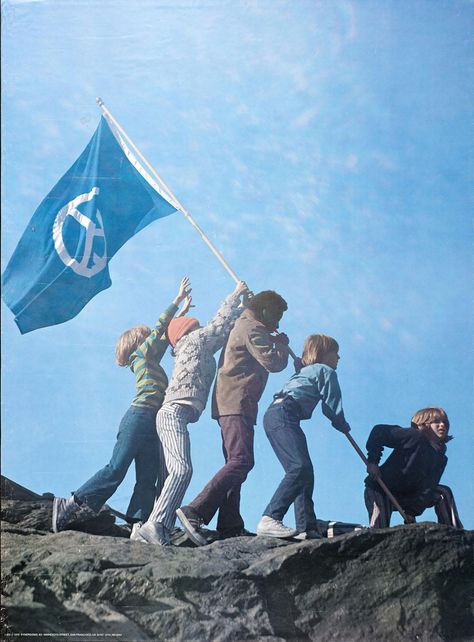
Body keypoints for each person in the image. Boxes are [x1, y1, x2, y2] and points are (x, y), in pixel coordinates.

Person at [52, 277, 192, 533]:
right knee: (117, 467)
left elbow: (164, 339)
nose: (153, 337)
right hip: (138, 416)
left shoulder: (150, 359)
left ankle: (136, 524)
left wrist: (182, 314)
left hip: (151, 423)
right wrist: (176, 300)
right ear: (138, 343)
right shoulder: (140, 356)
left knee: (147, 478)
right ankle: (72, 503)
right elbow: (161, 329)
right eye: (147, 336)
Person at [131, 280, 249, 546]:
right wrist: (236, 295)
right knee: (182, 470)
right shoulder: (195, 341)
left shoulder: (188, 345)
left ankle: (154, 526)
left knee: (173, 474)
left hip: (174, 414)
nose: (198, 326)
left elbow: (225, 329)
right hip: (173, 413)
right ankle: (156, 524)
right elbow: (219, 327)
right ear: (189, 330)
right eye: (194, 325)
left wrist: (243, 309)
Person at [177, 290, 289, 546]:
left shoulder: (246, 324)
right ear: (265, 310)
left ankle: (229, 525)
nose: (278, 323)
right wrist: (280, 346)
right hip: (237, 402)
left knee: (234, 463)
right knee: (241, 461)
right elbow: (272, 362)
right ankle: (194, 510)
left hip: (233, 403)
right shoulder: (252, 328)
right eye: (277, 315)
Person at [256, 334, 351, 540]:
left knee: (305, 471)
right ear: (324, 354)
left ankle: (306, 527)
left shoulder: (306, 371)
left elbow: (302, 376)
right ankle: (270, 517)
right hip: (284, 414)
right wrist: (342, 424)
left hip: (277, 415)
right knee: (299, 467)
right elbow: (331, 407)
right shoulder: (326, 371)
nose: (339, 358)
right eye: (336, 353)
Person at [364, 407, 463, 529]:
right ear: (425, 424)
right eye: (436, 421)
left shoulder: (440, 458)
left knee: (443, 492)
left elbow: (428, 487)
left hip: (408, 496)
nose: (442, 425)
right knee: (379, 531)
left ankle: (454, 532)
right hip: (382, 489)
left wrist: (412, 512)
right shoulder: (413, 436)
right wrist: (373, 462)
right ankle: (338, 531)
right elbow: (379, 431)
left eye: (445, 422)